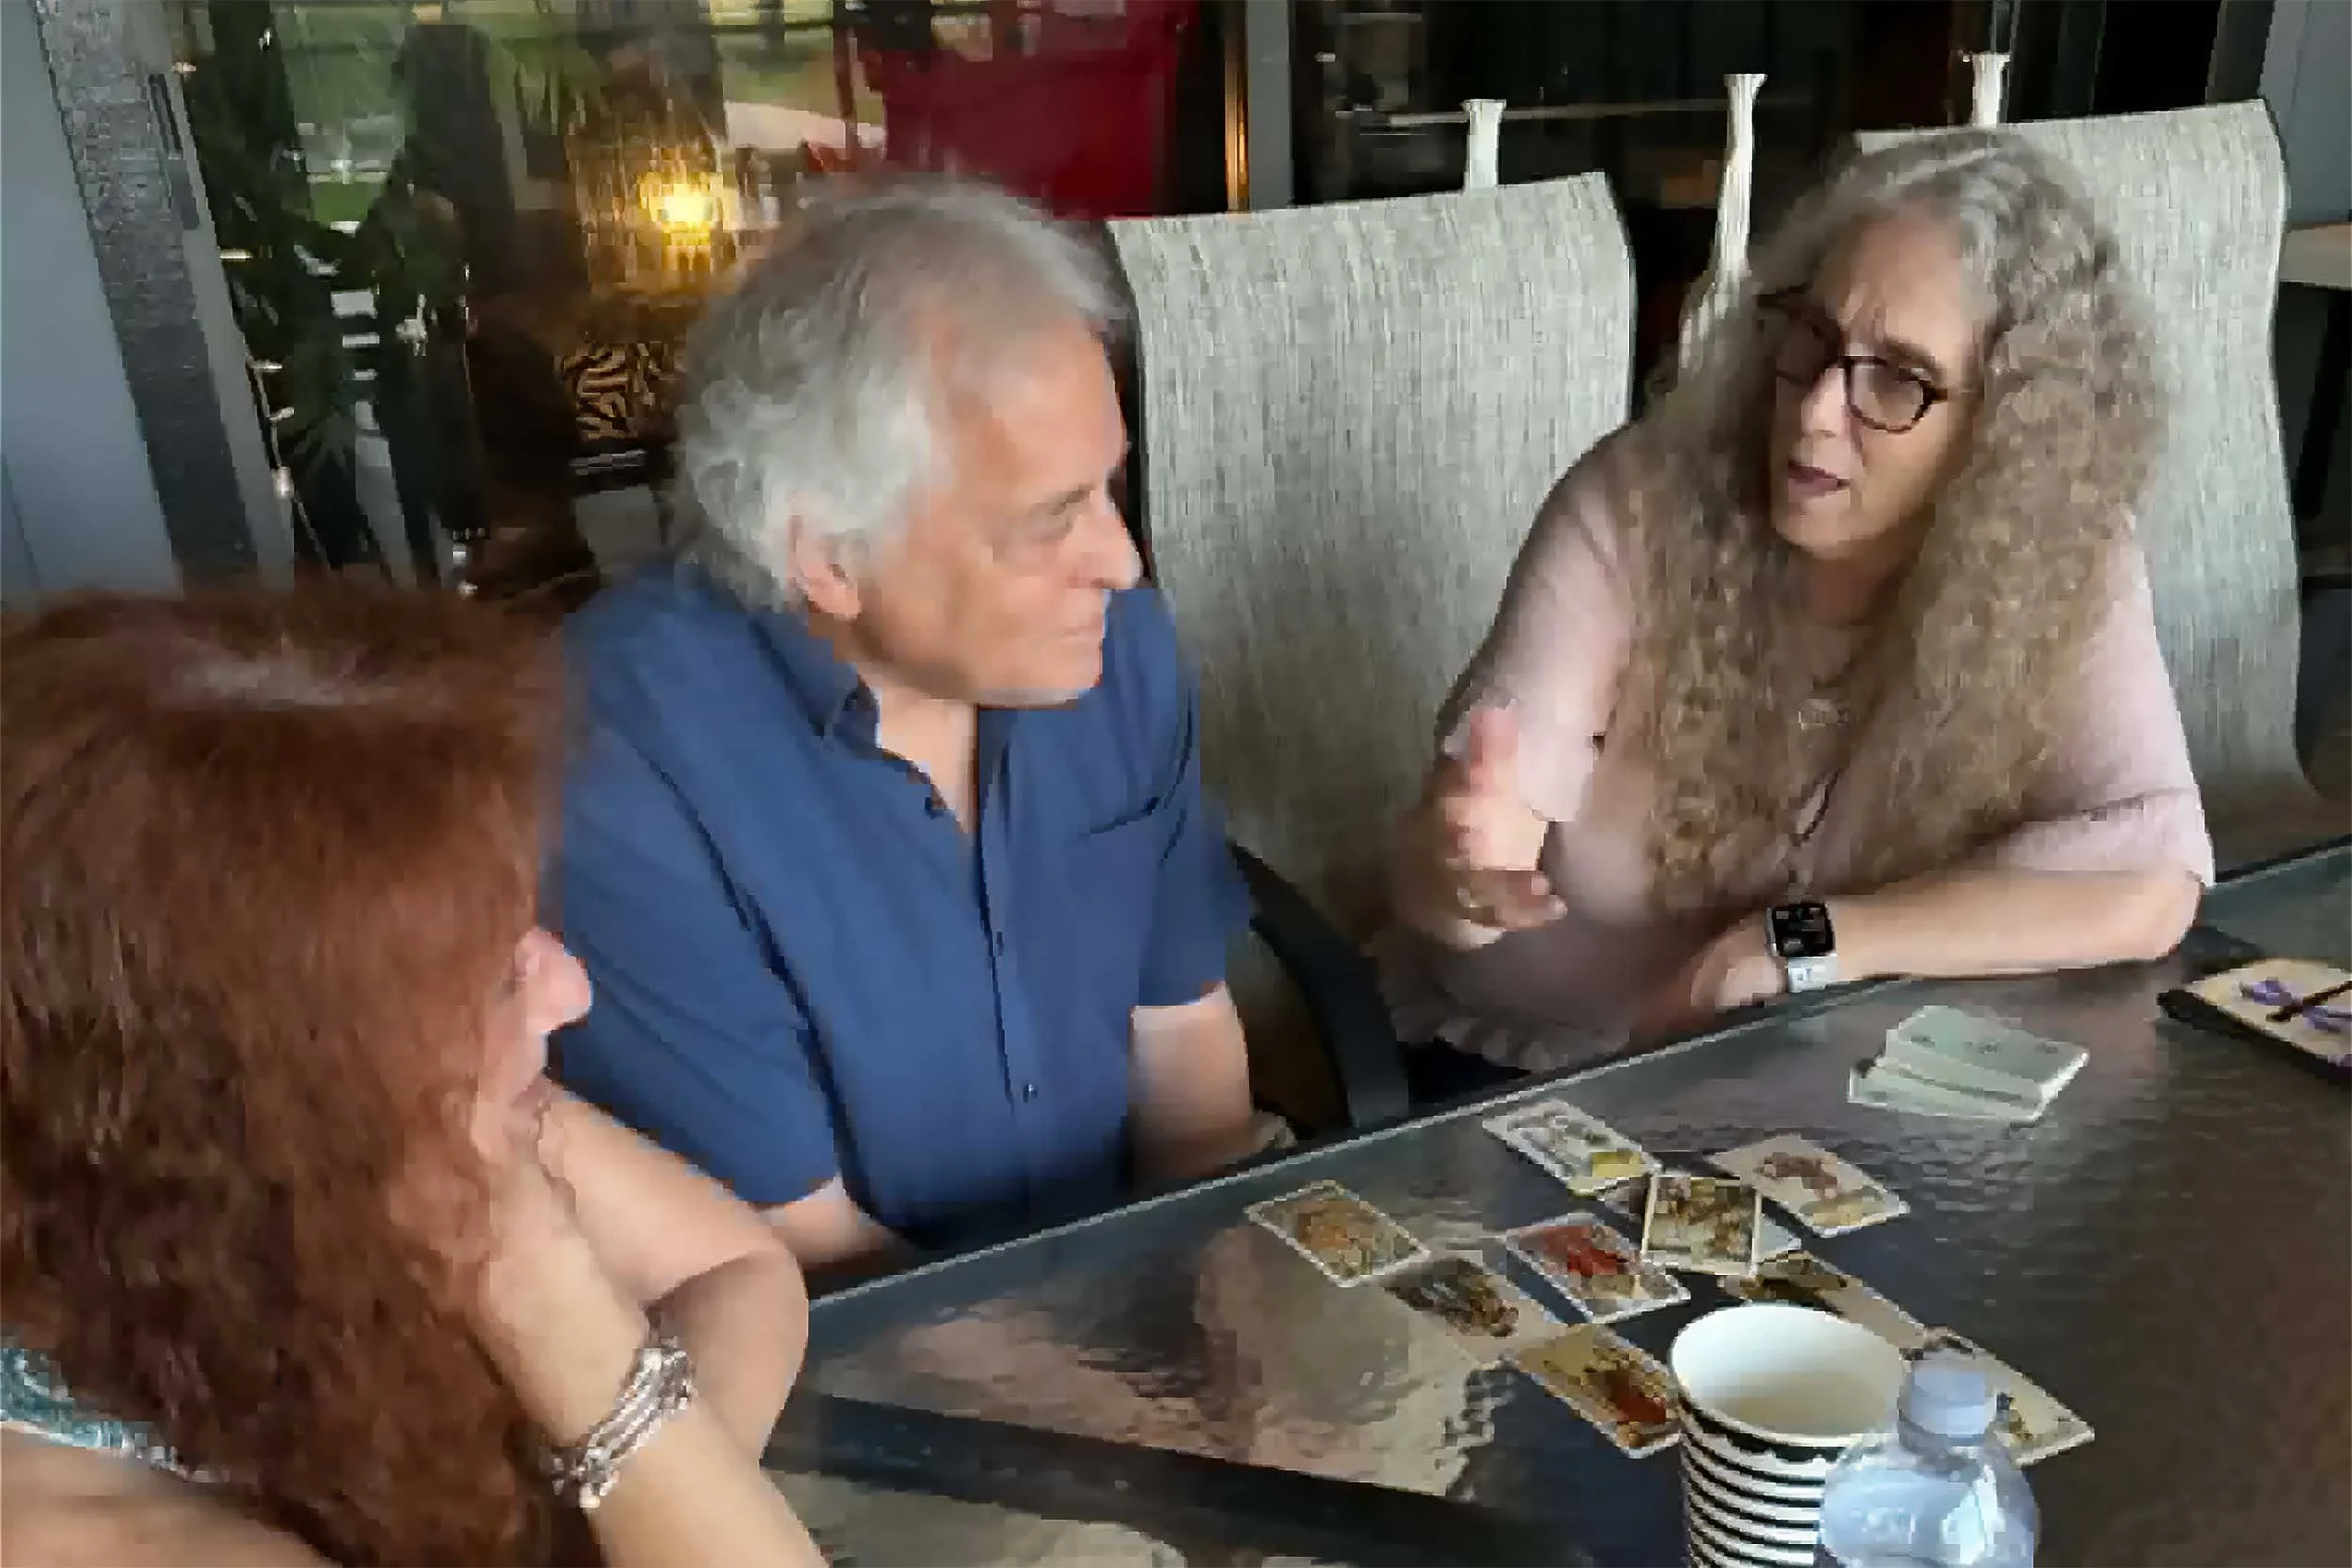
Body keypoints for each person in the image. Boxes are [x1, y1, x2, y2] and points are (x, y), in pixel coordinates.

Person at [0, 588, 823, 1568]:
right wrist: (554, 1311)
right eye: (499, 975)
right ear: (272, 1072)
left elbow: (738, 1270)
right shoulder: (88, 1533)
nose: (570, 989)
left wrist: (642, 1492)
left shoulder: (370, 1128)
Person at [1386, 132, 2214, 1094]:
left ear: (2004, 433)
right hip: (1534, 1072)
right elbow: (1462, 865)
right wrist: (1460, 874)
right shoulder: (1636, 504)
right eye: (1812, 338)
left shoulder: (2059, 554)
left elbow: (2151, 882)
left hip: (1813, 1074)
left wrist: (1792, 943)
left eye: (1895, 378)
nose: (1817, 409)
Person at [554, 177, 1258, 1279]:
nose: (1122, 562)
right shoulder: (615, 766)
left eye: (1107, 488)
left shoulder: (1113, 647)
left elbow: (1184, 1035)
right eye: (1051, 519)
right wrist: (1133, 1379)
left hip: (1127, 1296)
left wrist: (1227, 1314)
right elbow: (807, 1257)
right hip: (851, 1345)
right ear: (828, 555)